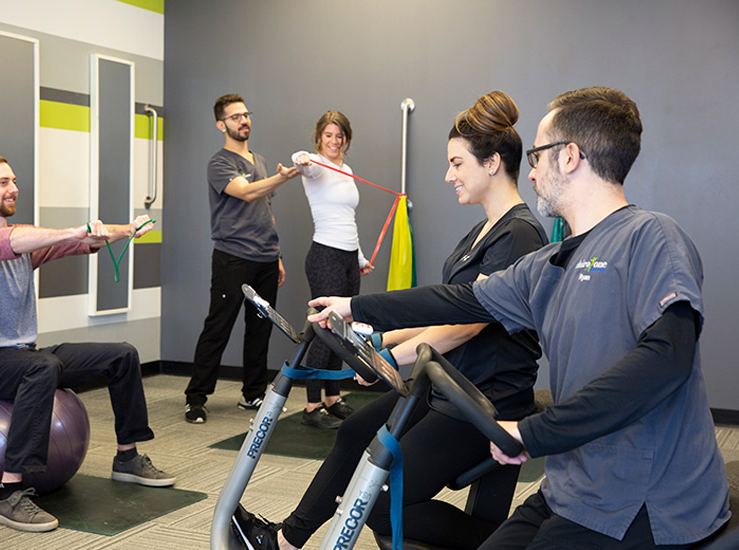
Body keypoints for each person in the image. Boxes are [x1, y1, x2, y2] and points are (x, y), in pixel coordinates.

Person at [309, 86, 731, 549]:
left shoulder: (650, 235)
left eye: (537, 155)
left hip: (649, 502)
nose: (530, 173)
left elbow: (668, 357)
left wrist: (535, 432)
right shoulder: (550, 263)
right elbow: (457, 301)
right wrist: (354, 306)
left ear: (569, 157)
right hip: (569, 489)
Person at [233, 91, 548, 549]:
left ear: (492, 163)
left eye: (457, 164)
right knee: (357, 431)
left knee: (379, 503)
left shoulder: (519, 234)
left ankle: (496, 541)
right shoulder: (479, 229)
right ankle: (286, 539)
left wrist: (391, 358)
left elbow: (467, 322)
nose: (448, 175)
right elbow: (441, 310)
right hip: (446, 385)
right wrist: (376, 340)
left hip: (484, 402)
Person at [0, 154, 176, 533]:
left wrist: (128, 228)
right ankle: (8, 493)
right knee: (42, 367)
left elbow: (81, 240)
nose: (13, 188)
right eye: (3, 182)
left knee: (122, 355)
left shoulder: (24, 241)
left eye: (13, 180)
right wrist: (71, 230)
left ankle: (127, 457)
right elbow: (9, 241)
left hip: (23, 356)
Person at [184, 94, 302, 424]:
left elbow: (265, 208)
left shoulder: (260, 161)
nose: (243, 121)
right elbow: (247, 192)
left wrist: (276, 255)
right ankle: (196, 397)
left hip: (265, 257)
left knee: (259, 329)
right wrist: (283, 177)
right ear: (221, 125)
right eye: (235, 117)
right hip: (232, 257)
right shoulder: (218, 163)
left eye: (246, 115)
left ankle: (252, 393)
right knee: (218, 327)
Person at [291, 110, 375, 429]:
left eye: (339, 136)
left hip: (348, 257)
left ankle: (332, 398)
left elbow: (347, 220)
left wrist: (361, 258)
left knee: (343, 327)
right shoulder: (315, 166)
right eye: (329, 135)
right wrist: (301, 158)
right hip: (324, 255)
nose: (334, 141)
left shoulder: (346, 169)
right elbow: (303, 165)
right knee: (323, 329)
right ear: (319, 138)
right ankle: (312, 406)